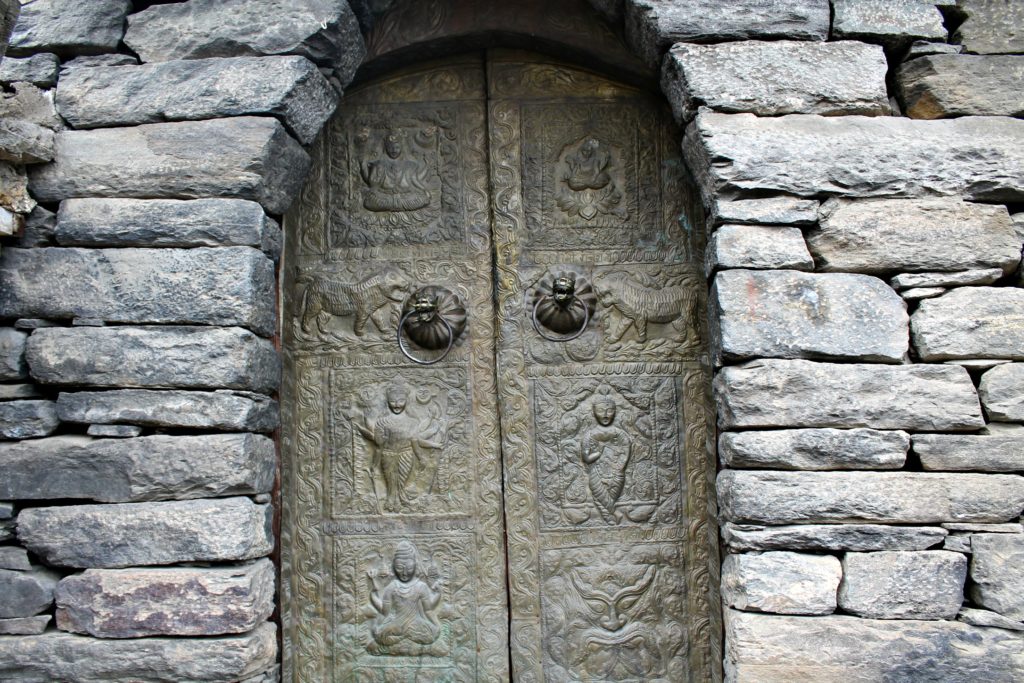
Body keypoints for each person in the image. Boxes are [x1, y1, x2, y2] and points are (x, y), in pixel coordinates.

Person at [369, 541, 442, 651]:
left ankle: (402, 640)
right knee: (380, 637)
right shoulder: (392, 587)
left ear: (415, 565)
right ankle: (405, 640)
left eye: (408, 568)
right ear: (393, 567)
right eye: (399, 568)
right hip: (397, 624)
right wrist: (373, 594)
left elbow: (428, 610)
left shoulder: (421, 586)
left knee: (430, 635)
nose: (404, 573)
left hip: (416, 624)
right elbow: (384, 612)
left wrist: (436, 626)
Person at [580, 394, 632, 524]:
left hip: (616, 472)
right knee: (598, 495)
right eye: (600, 411)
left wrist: (619, 466)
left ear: (614, 412)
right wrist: (599, 452)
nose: (605, 415)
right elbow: (586, 458)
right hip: (596, 473)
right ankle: (614, 514)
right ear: (594, 412)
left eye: (609, 411)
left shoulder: (619, 434)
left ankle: (611, 517)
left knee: (608, 498)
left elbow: (626, 449)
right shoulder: (589, 435)